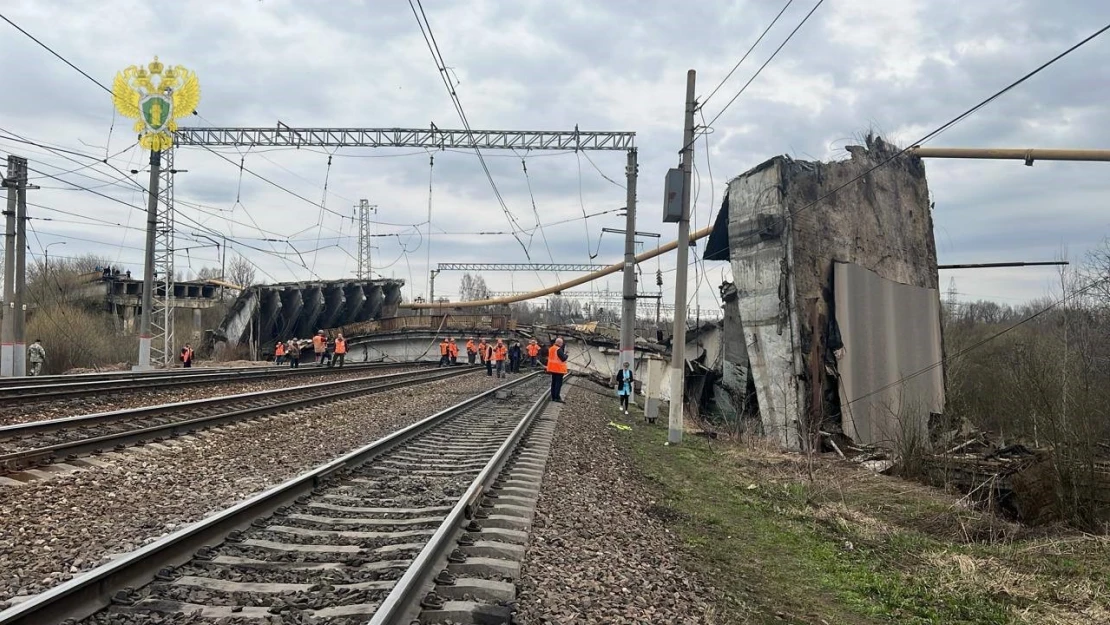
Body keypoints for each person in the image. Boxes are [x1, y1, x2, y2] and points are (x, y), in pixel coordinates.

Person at [546, 338, 567, 402]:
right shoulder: (558, 349)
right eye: (562, 343)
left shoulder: (551, 348)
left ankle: (553, 397)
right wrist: (566, 354)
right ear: (559, 343)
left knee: (553, 383)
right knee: (558, 384)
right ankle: (557, 397)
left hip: (552, 368)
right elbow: (563, 358)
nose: (562, 344)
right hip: (558, 369)